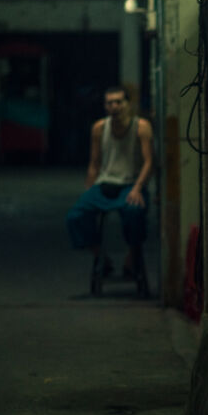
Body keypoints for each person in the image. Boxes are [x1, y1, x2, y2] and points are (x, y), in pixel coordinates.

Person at [66, 86, 153, 279]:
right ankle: (101, 257)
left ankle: (132, 256)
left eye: (118, 102)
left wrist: (138, 188)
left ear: (128, 104)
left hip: (131, 184)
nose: (114, 106)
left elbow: (149, 162)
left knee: (134, 213)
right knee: (75, 217)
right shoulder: (99, 128)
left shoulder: (141, 127)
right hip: (105, 184)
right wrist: (89, 190)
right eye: (109, 103)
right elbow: (94, 163)